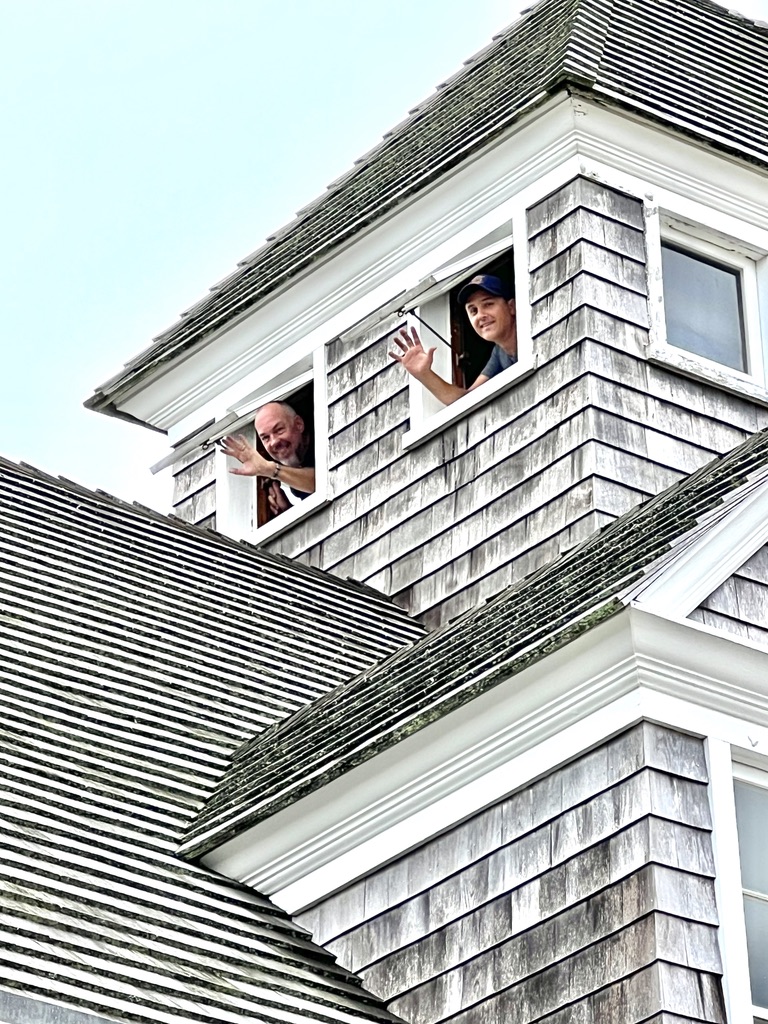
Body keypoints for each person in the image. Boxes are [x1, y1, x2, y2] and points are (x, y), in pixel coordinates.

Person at [389, 274, 517, 404]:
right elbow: (467, 400)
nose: (480, 316)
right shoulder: (499, 352)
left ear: (512, 306)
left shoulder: (526, 331)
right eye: (473, 311)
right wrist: (424, 374)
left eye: (488, 304)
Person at [219, 401, 315, 516]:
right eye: (265, 438)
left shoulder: (322, 438)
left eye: (279, 430)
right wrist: (287, 510)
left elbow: (322, 481)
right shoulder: (295, 474)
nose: (274, 442)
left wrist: (270, 470)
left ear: (299, 424)